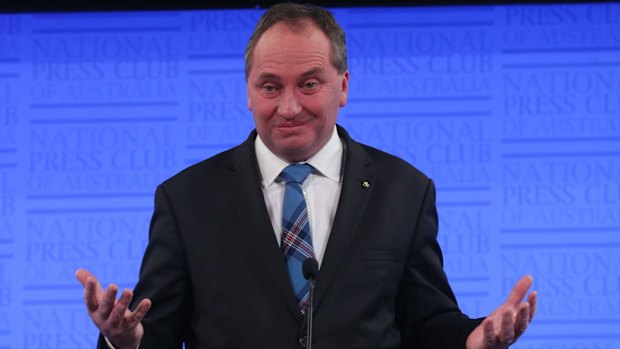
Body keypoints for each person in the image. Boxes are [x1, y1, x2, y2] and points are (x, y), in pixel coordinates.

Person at [76, 3, 537, 348]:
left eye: (309, 84)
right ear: (249, 93)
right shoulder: (187, 199)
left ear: (344, 87)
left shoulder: (405, 191)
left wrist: (473, 340)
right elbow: (154, 330)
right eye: (270, 86)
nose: (289, 106)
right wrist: (124, 339)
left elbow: (426, 322)